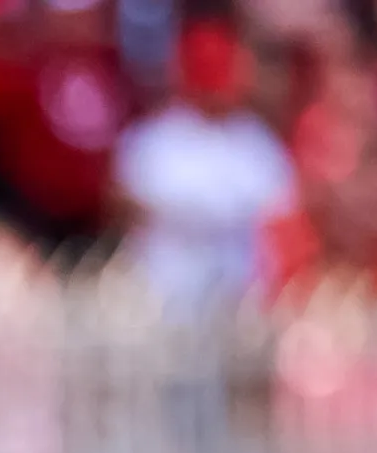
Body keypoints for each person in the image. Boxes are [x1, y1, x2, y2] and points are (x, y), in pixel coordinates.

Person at [113, 18, 296, 311]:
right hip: (165, 295)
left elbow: (282, 214)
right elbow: (124, 204)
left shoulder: (254, 140)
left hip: (241, 299)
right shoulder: (157, 139)